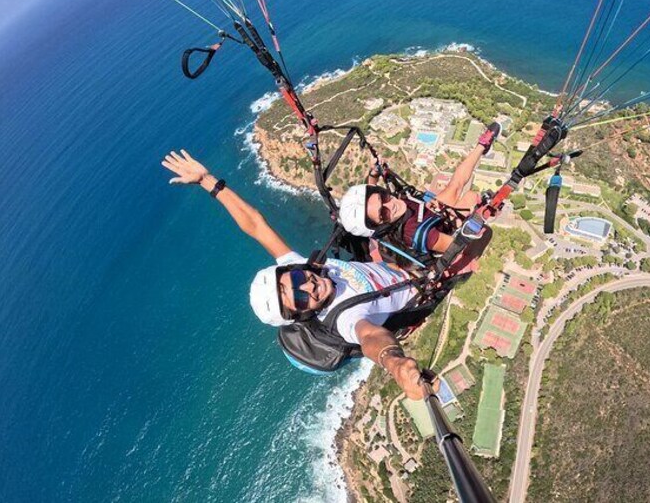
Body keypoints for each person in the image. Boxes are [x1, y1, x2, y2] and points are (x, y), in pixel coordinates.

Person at [161, 149, 435, 399]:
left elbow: (256, 226)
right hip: (424, 285)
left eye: (293, 280)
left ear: (293, 269)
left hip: (392, 267)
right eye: (300, 301)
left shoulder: (306, 267)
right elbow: (371, 339)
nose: (308, 287)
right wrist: (396, 365)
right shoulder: (344, 319)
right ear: (302, 315)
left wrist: (208, 181)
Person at [338, 121, 500, 263]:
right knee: (471, 197)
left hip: (429, 212)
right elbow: (454, 248)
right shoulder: (417, 233)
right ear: (382, 226)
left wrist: (374, 174)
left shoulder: (394, 208)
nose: (391, 205)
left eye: (383, 196)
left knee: (455, 186)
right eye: (384, 214)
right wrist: (477, 217)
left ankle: (482, 146)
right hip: (443, 231)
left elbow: (373, 201)